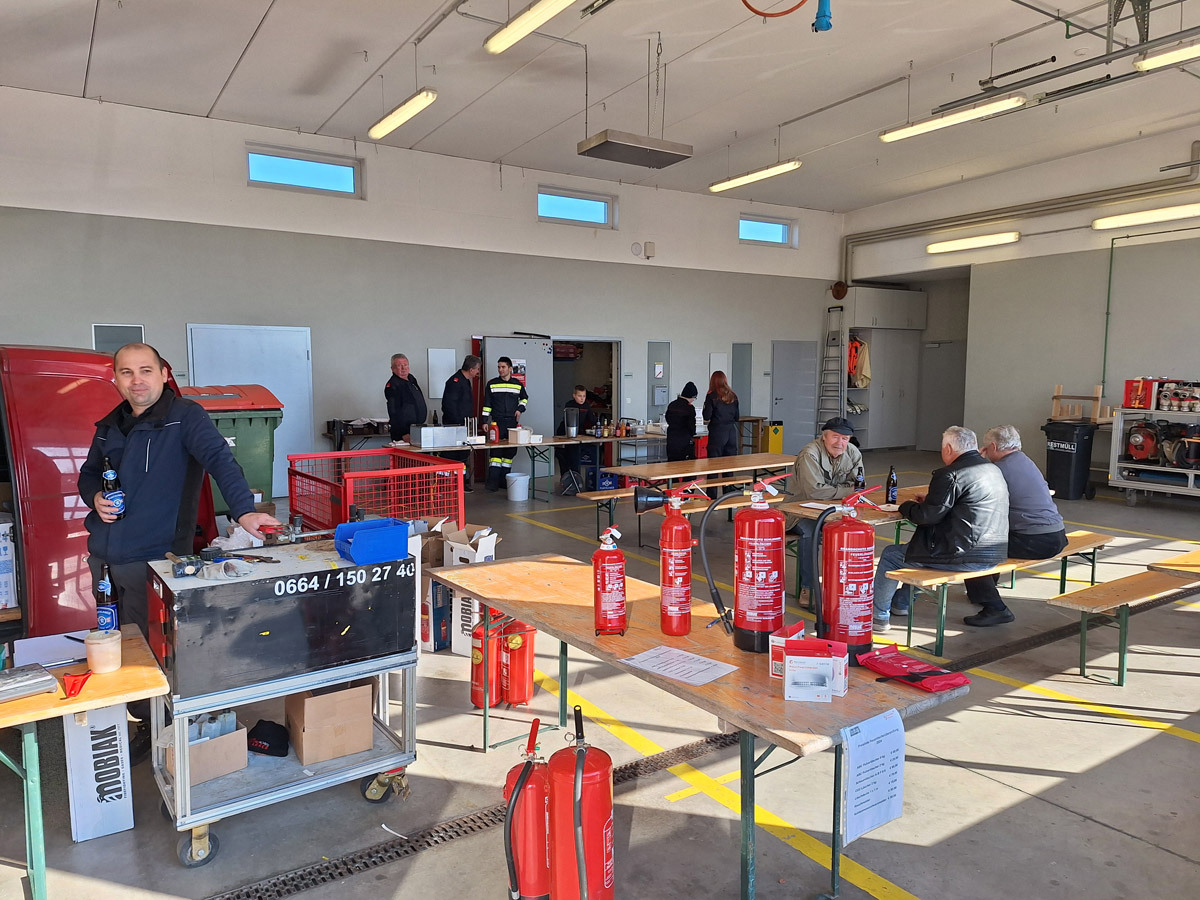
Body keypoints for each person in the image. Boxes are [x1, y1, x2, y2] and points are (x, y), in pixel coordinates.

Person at [78, 343, 281, 760]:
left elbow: (221, 461)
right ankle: (146, 724)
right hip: (104, 559)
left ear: (163, 374)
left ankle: (173, 734)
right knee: (120, 649)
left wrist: (244, 511)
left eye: (145, 370)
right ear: (115, 379)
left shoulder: (185, 417)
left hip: (153, 560)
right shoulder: (109, 425)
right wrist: (94, 496)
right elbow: (88, 474)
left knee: (157, 653)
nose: (137, 380)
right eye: (127, 372)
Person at [871, 426, 1009, 633]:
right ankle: (901, 603)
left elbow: (926, 517)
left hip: (963, 555)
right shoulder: (992, 470)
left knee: (893, 554)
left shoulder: (950, 473)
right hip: (994, 551)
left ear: (948, 449)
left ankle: (878, 617)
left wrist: (906, 506)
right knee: (915, 551)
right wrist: (932, 501)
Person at [962, 425, 1068, 626]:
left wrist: (978, 462)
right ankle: (985, 590)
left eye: (986, 447)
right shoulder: (1025, 461)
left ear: (993, 446)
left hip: (1035, 540)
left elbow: (972, 501)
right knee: (991, 540)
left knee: (970, 548)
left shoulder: (998, 470)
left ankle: (995, 608)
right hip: (1056, 534)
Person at [784, 417, 864, 596]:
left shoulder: (853, 453)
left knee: (854, 529)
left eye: (845, 438)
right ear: (824, 437)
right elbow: (814, 492)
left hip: (834, 510)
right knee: (811, 532)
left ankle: (842, 585)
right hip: (799, 512)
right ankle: (808, 588)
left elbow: (859, 486)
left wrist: (842, 491)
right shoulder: (810, 454)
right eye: (835, 437)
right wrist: (846, 490)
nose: (840, 443)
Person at [481, 356, 528, 492]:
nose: (500, 370)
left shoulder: (517, 384)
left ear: (510, 368)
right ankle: (492, 483)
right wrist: (484, 421)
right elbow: (487, 404)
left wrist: (520, 409)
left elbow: (524, 398)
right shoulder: (492, 384)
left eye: (503, 367)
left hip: (512, 423)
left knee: (509, 453)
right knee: (495, 454)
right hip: (497, 423)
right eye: (499, 367)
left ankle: (504, 482)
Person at [441, 355, 481, 491]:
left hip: (463, 427)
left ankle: (461, 483)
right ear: (471, 369)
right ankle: (444, 485)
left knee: (462, 456)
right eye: (477, 369)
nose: (478, 372)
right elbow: (448, 406)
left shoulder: (465, 381)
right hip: (454, 427)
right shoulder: (455, 382)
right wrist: (458, 424)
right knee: (450, 456)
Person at [555, 384, 599, 483]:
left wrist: (601, 425)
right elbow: (568, 420)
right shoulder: (569, 405)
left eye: (584, 396)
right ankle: (565, 481)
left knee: (575, 459)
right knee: (563, 459)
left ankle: (576, 482)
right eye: (579, 396)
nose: (582, 398)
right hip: (563, 434)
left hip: (577, 436)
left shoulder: (586, 406)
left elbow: (592, 419)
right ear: (574, 395)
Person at [384, 353, 427, 443]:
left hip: (417, 428)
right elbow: (393, 411)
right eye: (399, 366)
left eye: (405, 365)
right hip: (404, 433)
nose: (403, 368)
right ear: (393, 368)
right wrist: (403, 433)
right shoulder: (392, 385)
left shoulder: (412, 379)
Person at [702, 371, 741, 459]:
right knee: (730, 462)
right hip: (731, 432)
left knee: (714, 463)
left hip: (717, 432)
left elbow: (706, 416)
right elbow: (737, 417)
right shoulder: (733, 396)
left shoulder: (711, 396)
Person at [665, 382, 699, 461]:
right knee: (685, 464)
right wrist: (693, 433)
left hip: (671, 439)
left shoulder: (672, 404)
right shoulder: (689, 408)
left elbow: (667, 418)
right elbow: (691, 425)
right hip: (684, 440)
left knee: (672, 463)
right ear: (692, 396)